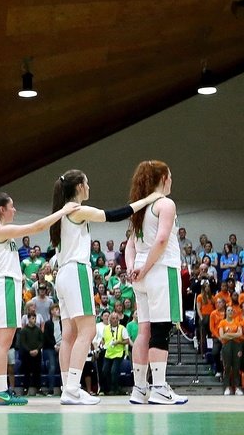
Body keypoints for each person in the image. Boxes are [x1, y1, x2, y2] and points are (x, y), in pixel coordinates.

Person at [48, 169, 161, 405]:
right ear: (79, 186)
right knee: (87, 331)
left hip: (63, 274)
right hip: (76, 271)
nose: (89, 187)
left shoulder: (61, 213)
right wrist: (148, 200)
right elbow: (115, 214)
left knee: (69, 335)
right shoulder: (77, 210)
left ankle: (66, 386)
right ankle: (72, 390)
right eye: (87, 183)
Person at [0, 193, 76, 405]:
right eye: (12, 207)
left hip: (5, 286)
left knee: (0, 342)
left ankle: (0, 390)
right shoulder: (0, 230)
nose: (14, 210)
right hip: (4, 285)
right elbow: (36, 227)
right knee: (1, 343)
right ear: (1, 211)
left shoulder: (0, 232)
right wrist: (62, 211)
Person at [124, 161, 189, 405]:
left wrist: (132, 268)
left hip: (140, 273)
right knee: (161, 330)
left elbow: (129, 245)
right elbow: (161, 240)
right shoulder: (165, 204)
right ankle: (160, 387)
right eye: (170, 176)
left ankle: (140, 389)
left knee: (144, 331)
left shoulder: (140, 206)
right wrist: (146, 267)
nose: (172, 180)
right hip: (160, 270)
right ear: (162, 178)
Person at [99, 310, 131, 394]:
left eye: (116, 318)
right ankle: (106, 388)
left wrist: (119, 342)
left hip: (119, 352)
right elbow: (103, 339)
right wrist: (102, 342)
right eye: (113, 318)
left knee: (114, 370)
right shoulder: (106, 328)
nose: (115, 320)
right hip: (109, 352)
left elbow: (127, 341)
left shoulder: (122, 328)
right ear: (110, 320)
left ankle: (115, 389)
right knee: (104, 370)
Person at [216, 305, 244, 395]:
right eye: (228, 310)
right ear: (226, 312)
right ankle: (226, 387)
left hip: (236, 346)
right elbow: (222, 335)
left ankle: (237, 388)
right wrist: (233, 335)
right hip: (226, 346)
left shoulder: (237, 322)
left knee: (236, 367)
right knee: (227, 367)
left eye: (232, 310)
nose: (230, 312)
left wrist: (229, 335)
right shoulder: (222, 323)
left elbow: (240, 334)